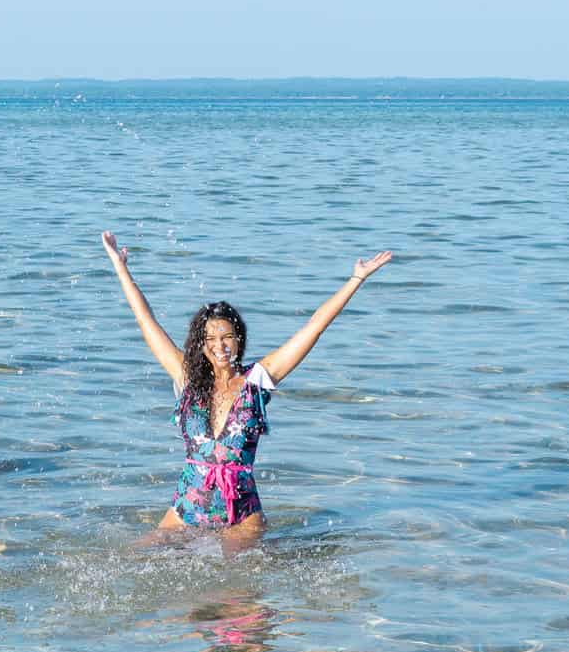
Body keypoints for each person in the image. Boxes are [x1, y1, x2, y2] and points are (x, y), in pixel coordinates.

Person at [101, 232, 393, 549]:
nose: (219, 346)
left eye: (227, 337)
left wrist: (356, 279)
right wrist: (120, 266)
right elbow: (146, 321)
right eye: (210, 340)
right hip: (186, 508)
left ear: (238, 338)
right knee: (135, 559)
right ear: (200, 345)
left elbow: (314, 327)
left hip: (241, 515)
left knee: (236, 594)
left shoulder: (258, 379)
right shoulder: (187, 379)